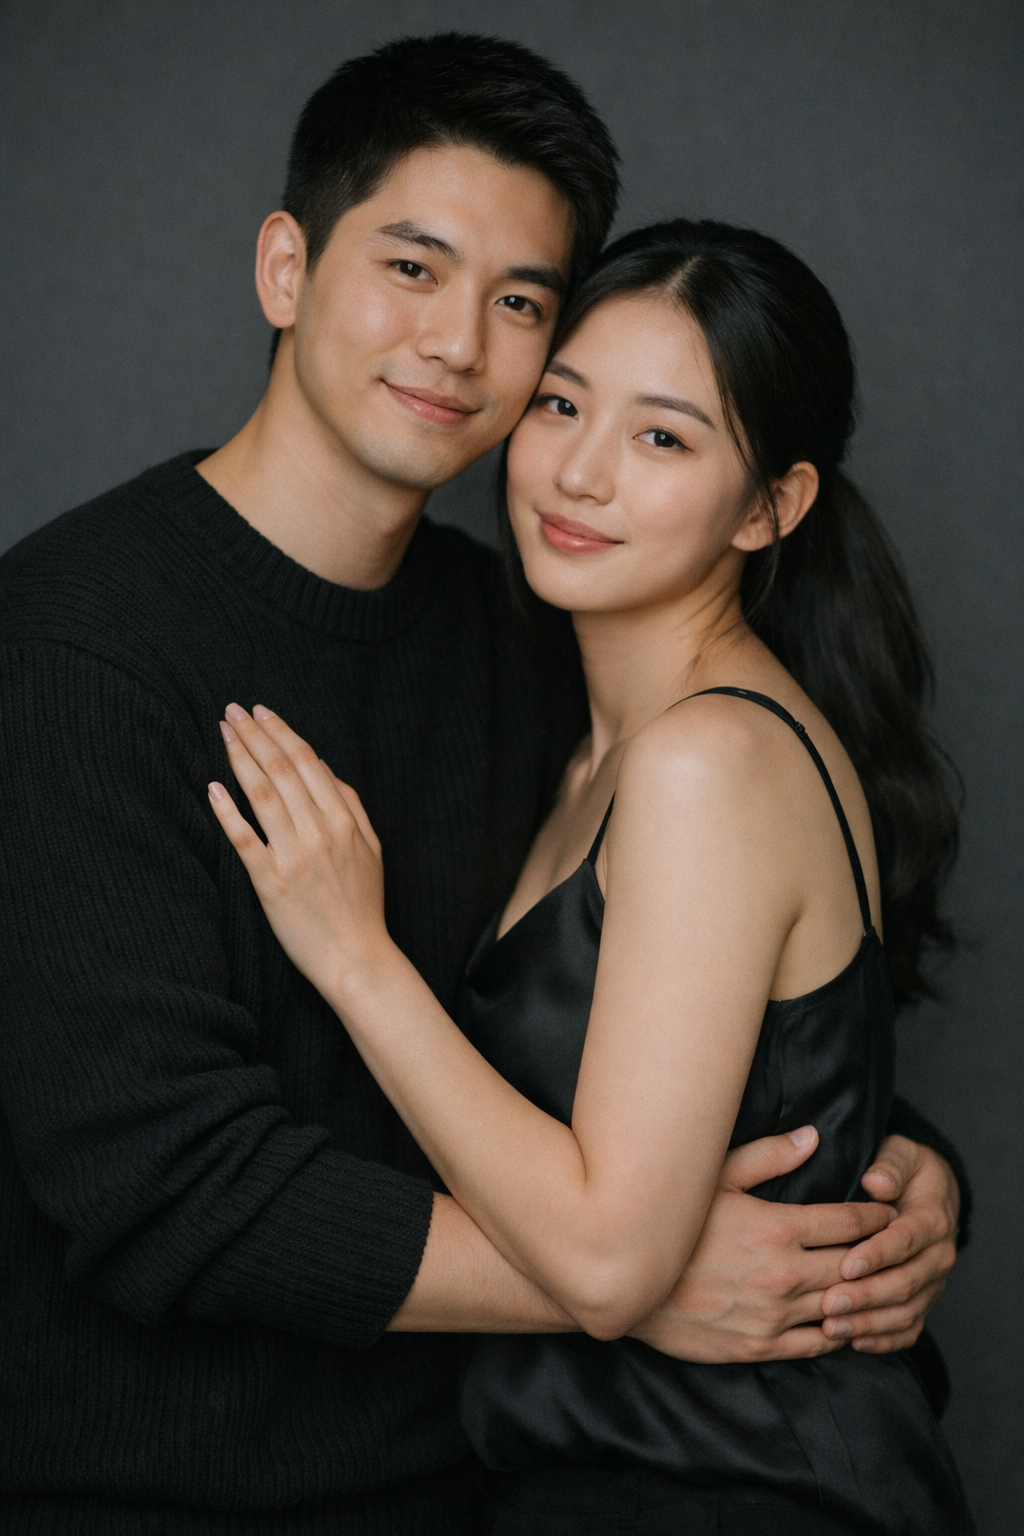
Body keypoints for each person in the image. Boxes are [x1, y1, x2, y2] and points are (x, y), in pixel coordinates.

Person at [0, 34, 964, 1536]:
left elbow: (675, 1011)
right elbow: (167, 1182)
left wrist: (885, 1180)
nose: (457, 344)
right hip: (165, 1490)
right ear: (285, 269)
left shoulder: (530, 638)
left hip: (487, 1487)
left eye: (519, 303)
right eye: (411, 267)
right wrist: (626, 1281)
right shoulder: (73, 647)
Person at [209, 217, 972, 1534]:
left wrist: (354, 955)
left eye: (664, 438)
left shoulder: (706, 763)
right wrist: (908, 1160)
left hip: (740, 1493)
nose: (580, 472)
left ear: (771, 506)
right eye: (561, 404)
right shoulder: (594, 744)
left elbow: (613, 1263)